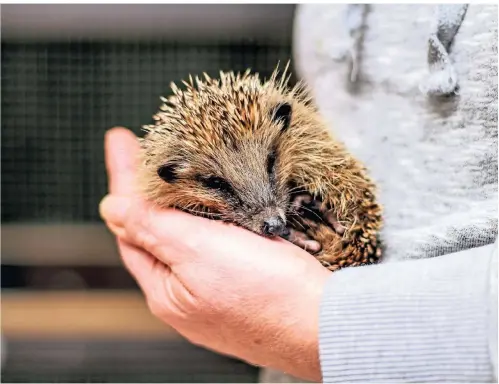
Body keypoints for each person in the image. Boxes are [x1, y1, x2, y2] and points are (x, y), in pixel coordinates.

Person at [100, 4, 497, 382]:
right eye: (221, 187)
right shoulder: (176, 173)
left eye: (271, 165)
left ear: (282, 126)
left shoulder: (295, 137)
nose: (272, 218)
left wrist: (318, 327)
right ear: (173, 175)